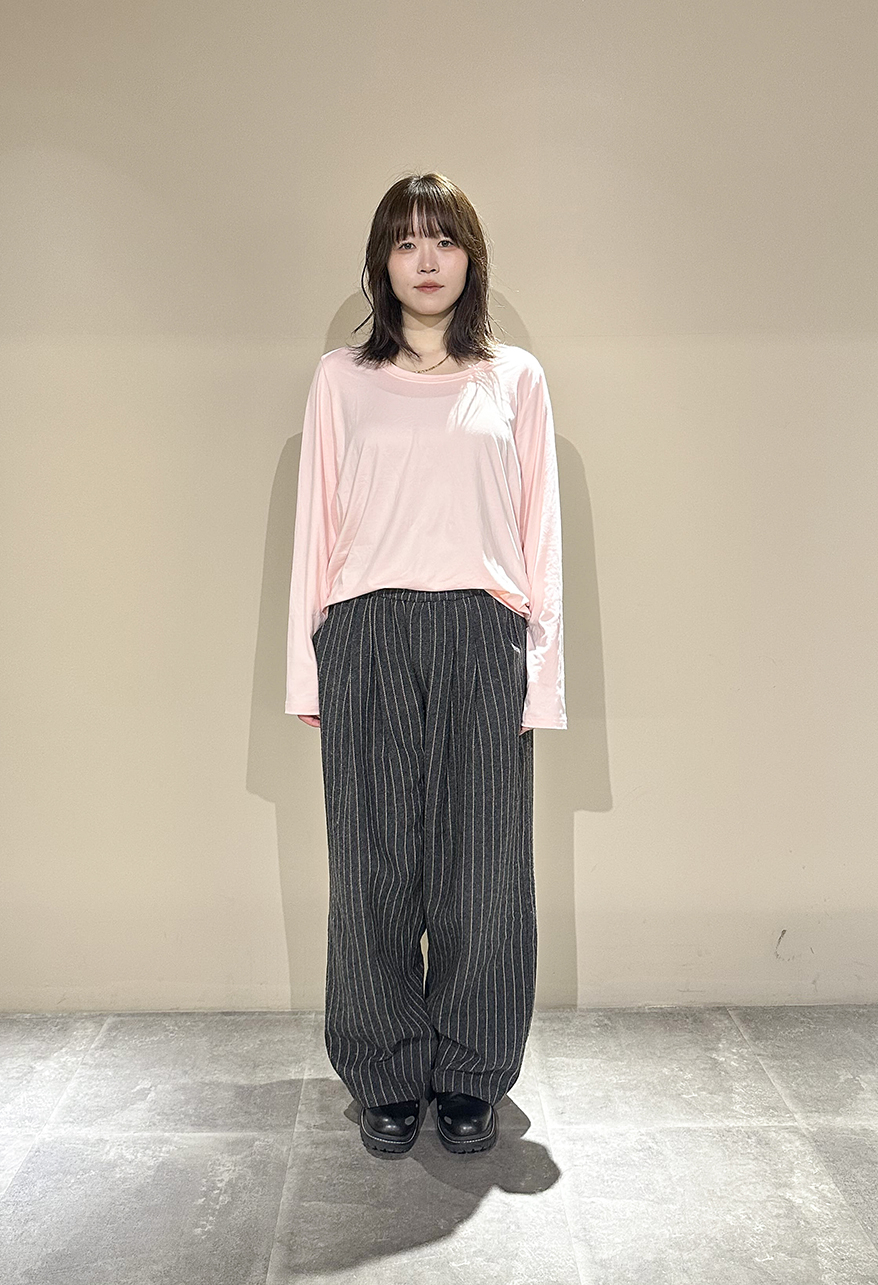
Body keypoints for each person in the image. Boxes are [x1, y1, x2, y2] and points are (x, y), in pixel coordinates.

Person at [285, 172, 566, 1156]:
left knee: (484, 872)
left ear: (470, 256)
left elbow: (540, 534)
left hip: (483, 634)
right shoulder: (341, 379)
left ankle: (471, 1074)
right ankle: (386, 1070)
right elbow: (317, 525)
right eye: (405, 242)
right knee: (372, 868)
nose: (426, 259)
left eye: (443, 239)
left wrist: (542, 674)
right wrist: (307, 669)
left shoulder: (514, 379)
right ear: (382, 263)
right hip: (365, 632)